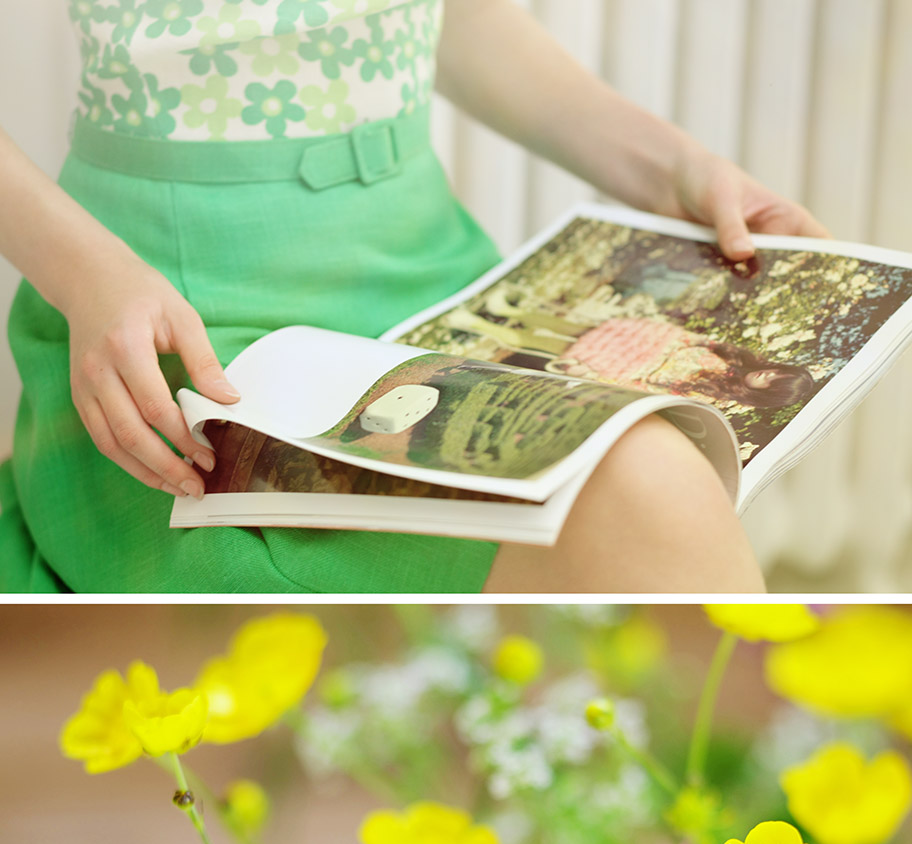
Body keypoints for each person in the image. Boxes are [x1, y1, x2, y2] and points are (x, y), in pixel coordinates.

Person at [0, 0, 828, 594]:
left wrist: (667, 169)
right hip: (174, 312)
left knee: (652, 498)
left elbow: (453, 17)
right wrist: (83, 276)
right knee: (655, 495)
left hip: (433, 268)